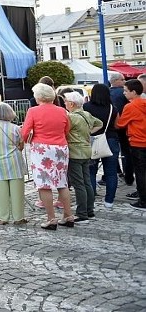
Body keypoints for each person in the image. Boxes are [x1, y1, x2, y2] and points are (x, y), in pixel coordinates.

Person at [21, 83, 75, 229]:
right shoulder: (62, 111)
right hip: (60, 147)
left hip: (42, 148)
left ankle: (51, 218)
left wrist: (26, 140)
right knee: (61, 182)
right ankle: (68, 215)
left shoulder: (33, 111)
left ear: (38, 96)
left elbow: (25, 131)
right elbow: (67, 128)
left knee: (44, 184)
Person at [0, 103, 27, 225]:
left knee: (0, 189)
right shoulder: (16, 128)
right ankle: (19, 217)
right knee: (17, 190)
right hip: (14, 161)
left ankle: (2, 217)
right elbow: (21, 145)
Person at [62, 91, 103, 222]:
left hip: (75, 152)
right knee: (87, 182)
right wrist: (88, 132)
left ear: (72, 104)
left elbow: (65, 131)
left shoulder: (71, 117)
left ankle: (82, 213)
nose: (65, 103)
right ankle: (90, 210)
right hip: (86, 150)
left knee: (78, 184)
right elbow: (99, 124)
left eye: (66, 101)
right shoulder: (86, 114)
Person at [83, 83, 120, 208]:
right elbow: (117, 125)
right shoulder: (112, 108)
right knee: (111, 172)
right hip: (110, 140)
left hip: (92, 141)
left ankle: (91, 198)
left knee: (91, 172)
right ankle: (109, 201)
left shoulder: (86, 107)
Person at [116, 78, 146, 210]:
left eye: (126, 91)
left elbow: (120, 124)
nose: (124, 93)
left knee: (140, 172)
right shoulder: (144, 103)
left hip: (137, 142)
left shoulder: (130, 106)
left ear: (133, 92)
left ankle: (143, 200)